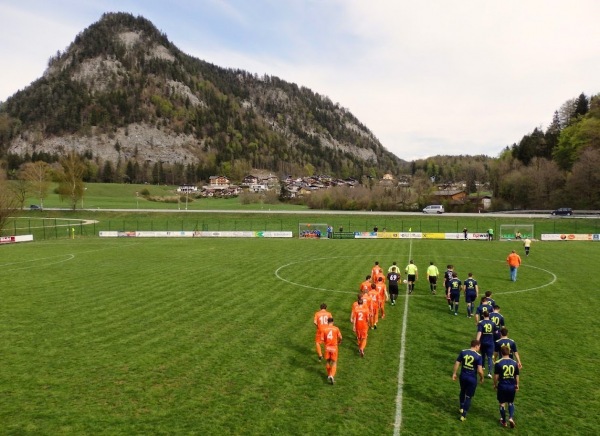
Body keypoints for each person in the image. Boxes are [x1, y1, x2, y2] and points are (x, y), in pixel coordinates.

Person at [452, 339, 484, 422]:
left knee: (462, 391)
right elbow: (480, 370)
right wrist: (482, 377)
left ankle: (461, 407)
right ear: (476, 346)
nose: (479, 348)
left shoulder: (463, 352)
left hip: (463, 376)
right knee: (469, 397)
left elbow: (457, 363)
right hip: (472, 379)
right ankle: (463, 415)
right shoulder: (478, 356)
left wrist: (454, 373)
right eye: (479, 347)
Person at [494, 345, 520, 428]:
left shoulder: (498, 363)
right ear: (509, 352)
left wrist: (495, 384)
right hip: (511, 386)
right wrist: (517, 385)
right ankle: (511, 418)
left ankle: (504, 421)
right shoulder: (514, 363)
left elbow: (496, 376)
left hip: (502, 386)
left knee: (502, 404)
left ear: (501, 353)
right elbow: (517, 376)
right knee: (511, 402)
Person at [476, 311, 498, 378]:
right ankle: (489, 373)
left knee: (482, 355)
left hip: (483, 342)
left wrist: (477, 341)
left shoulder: (481, 323)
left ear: (483, 315)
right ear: (489, 316)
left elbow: (479, 333)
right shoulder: (493, 323)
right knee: (489, 357)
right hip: (490, 343)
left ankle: (482, 367)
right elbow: (496, 332)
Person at [321, 317, 342, 384]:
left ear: (327, 322)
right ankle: (332, 375)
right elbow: (340, 337)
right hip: (334, 347)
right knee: (334, 361)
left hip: (327, 347)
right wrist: (339, 341)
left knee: (327, 361)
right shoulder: (336, 328)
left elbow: (322, 339)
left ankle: (329, 374)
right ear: (333, 322)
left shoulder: (324, 329)